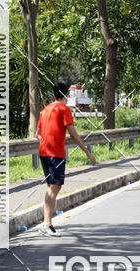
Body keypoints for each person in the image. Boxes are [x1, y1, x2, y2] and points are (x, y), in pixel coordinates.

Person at [36, 81, 97, 236]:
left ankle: (46, 222)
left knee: (52, 187)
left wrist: (46, 141)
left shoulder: (45, 109)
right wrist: (88, 153)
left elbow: (37, 133)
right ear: (66, 95)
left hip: (43, 152)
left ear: (54, 94)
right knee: (54, 187)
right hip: (55, 154)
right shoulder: (63, 110)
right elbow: (74, 135)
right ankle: (47, 224)